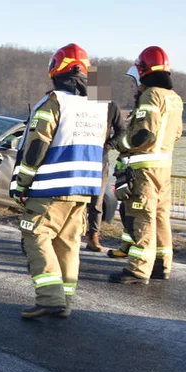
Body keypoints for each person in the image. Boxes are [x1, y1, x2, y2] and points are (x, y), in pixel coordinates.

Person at [11, 44, 108, 319]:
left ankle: (49, 297)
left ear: (56, 69)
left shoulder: (53, 101)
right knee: (68, 243)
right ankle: (65, 302)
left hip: (51, 186)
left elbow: (37, 144)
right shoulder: (100, 102)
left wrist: (23, 182)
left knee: (35, 235)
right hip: (86, 187)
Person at [110, 46, 184, 284]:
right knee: (160, 216)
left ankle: (137, 270)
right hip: (163, 169)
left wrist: (120, 143)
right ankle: (162, 265)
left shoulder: (150, 94)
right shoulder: (174, 98)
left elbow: (143, 134)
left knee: (142, 217)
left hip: (144, 170)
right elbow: (178, 132)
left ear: (143, 71)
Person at [84, 79, 125, 251]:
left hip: (100, 160)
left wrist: (107, 146)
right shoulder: (81, 105)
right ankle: (70, 234)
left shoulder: (111, 107)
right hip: (79, 156)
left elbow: (122, 130)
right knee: (74, 199)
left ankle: (93, 238)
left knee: (96, 201)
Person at [107, 67, 140, 259]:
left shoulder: (109, 106)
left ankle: (139, 262)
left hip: (136, 168)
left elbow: (125, 134)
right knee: (126, 209)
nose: (131, 86)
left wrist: (112, 145)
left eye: (133, 82)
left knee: (137, 214)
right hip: (128, 166)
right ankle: (127, 246)